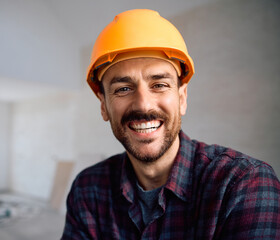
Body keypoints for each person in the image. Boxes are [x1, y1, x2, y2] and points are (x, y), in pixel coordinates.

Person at [61, 9, 280, 239]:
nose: (143, 105)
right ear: (104, 105)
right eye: (123, 89)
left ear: (182, 98)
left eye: (159, 84)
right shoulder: (87, 190)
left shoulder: (244, 185)